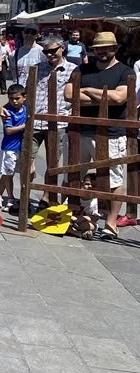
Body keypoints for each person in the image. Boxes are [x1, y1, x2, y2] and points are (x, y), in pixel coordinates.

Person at [64, 32, 136, 240]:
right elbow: (69, 95)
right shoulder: (82, 69)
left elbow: (119, 98)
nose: (102, 52)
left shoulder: (125, 71)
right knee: (76, 176)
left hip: (110, 133)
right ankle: (86, 216)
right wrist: (103, 95)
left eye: (107, 48)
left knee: (113, 178)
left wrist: (86, 91)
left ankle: (111, 222)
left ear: (115, 48)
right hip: (81, 131)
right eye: (98, 48)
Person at [1, 36, 76, 209]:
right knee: (26, 161)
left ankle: (46, 197)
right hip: (34, 123)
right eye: (46, 51)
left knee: (53, 164)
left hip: (58, 124)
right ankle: (25, 196)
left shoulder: (73, 70)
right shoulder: (37, 69)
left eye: (52, 51)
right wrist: (7, 107)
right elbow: (25, 94)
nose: (49, 54)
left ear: (62, 48)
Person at [0, 84, 27, 209]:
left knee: (7, 173)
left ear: (24, 97)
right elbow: (9, 130)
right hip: (9, 147)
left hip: (21, 147)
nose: (14, 101)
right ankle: (11, 197)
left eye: (17, 98)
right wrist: (25, 126)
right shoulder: (8, 111)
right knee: (8, 174)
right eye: (11, 98)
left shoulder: (26, 109)